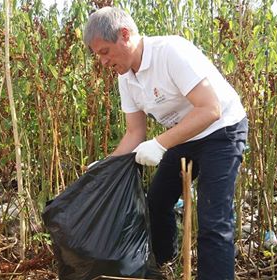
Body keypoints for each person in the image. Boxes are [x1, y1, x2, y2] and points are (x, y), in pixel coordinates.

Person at [83, 6, 248, 280]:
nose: (102, 61)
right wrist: (107, 166)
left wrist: (159, 144)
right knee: (156, 203)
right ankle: (161, 262)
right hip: (184, 134)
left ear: (125, 35)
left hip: (222, 131)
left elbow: (210, 109)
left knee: (213, 220)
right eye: (97, 55)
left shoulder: (170, 52)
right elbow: (134, 132)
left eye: (104, 51)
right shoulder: (126, 79)